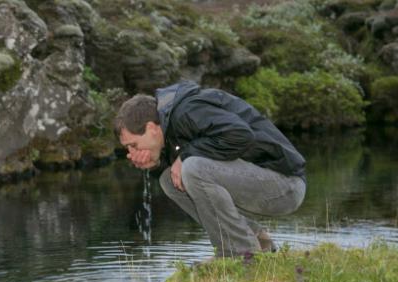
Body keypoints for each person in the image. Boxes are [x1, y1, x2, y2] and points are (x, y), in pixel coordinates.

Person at [113, 80, 306, 260]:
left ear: (151, 128)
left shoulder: (187, 111)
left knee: (193, 168)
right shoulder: (170, 128)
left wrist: (184, 156)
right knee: (169, 179)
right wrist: (154, 164)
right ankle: (257, 240)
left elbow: (240, 135)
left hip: (285, 186)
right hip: (259, 183)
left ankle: (241, 256)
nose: (132, 153)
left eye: (134, 145)